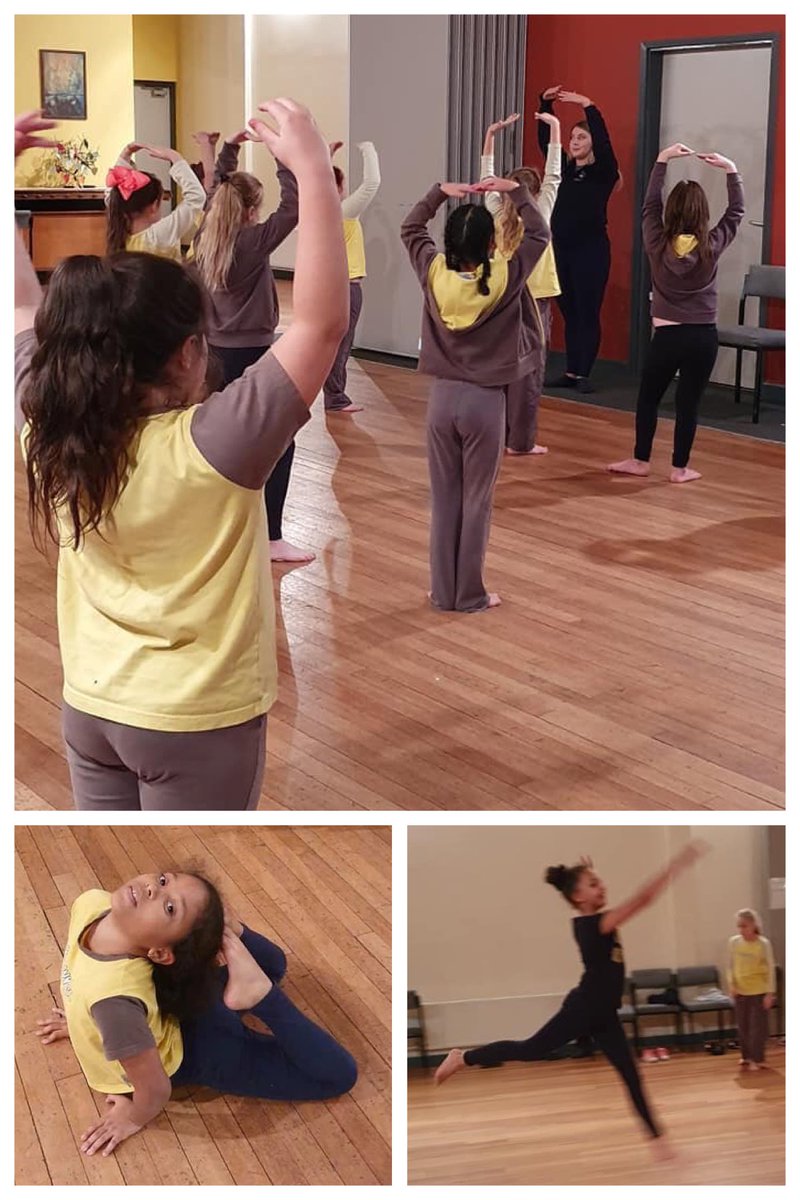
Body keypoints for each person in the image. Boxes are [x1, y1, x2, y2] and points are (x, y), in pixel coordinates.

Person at [14, 103, 349, 811]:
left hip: (90, 706)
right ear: (189, 352)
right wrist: (314, 171)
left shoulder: (45, 424)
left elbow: (17, 308)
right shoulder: (218, 444)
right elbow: (321, 325)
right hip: (195, 721)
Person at [36, 871, 357, 1157]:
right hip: (178, 1006)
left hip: (204, 1052)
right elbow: (85, 976)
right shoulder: (92, 903)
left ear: (160, 953)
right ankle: (234, 937)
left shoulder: (115, 1005)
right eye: (163, 880)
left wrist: (133, 1117)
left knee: (337, 1076)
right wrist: (84, 1022)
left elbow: (155, 1089)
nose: (153, 888)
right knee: (273, 965)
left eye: (170, 907)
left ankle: (260, 993)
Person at [434, 841, 710, 1157]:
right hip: (584, 1009)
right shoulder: (593, 925)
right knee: (531, 1049)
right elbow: (642, 899)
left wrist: (586, 875)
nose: (601, 886)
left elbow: (599, 901)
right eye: (593, 884)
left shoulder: (596, 920)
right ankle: (463, 1058)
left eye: (600, 882)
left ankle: (658, 1140)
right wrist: (675, 866)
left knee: (631, 1074)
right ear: (578, 897)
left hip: (604, 1014)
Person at [401, 173, 549, 611]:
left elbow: (411, 227)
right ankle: (469, 594)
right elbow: (539, 233)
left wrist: (436, 193)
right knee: (476, 502)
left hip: (441, 401)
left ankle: (442, 591)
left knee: (445, 499)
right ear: (491, 244)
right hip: (485, 402)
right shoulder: (506, 274)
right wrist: (514, 191)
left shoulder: (432, 271)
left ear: (448, 243)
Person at [195, 129, 313, 564]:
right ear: (250, 211)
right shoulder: (252, 241)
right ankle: (272, 535)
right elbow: (294, 206)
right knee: (279, 440)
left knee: (219, 439)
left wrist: (229, 151)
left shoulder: (206, 237)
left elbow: (217, 192)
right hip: (254, 353)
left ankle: (219, 527)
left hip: (213, 354)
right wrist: (282, 157)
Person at [609, 143, 744, 483]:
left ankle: (641, 460)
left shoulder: (656, 242)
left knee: (649, 399)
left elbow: (649, 206)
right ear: (702, 213)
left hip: (667, 336)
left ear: (670, 212)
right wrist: (730, 169)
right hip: (703, 336)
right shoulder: (712, 244)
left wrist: (662, 159)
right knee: (688, 404)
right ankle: (679, 468)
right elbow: (736, 211)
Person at [481, 109, 562, 455]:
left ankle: (498, 436)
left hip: (503, 296)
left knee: (502, 365)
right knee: (529, 371)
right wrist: (555, 127)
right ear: (534, 192)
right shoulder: (540, 214)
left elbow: (486, 177)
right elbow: (555, 175)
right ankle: (520, 442)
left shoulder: (498, 212)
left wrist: (491, 135)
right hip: (535, 299)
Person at [537, 86, 620, 393]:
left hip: (591, 250)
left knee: (587, 312)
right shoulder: (563, 170)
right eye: (572, 137)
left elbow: (605, 143)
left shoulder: (603, 172)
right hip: (561, 249)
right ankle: (571, 372)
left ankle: (584, 373)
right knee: (570, 313)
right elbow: (546, 141)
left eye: (581, 137)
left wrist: (588, 105)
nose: (574, 141)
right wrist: (545, 103)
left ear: (592, 142)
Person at [324, 140, 381, 413]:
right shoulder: (343, 212)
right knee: (342, 343)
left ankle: (332, 395)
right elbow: (372, 183)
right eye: (343, 184)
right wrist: (368, 149)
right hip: (347, 287)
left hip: (331, 287)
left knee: (334, 342)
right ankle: (335, 397)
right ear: (337, 188)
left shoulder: (318, 213)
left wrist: (327, 155)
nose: (346, 189)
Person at [106, 139, 206, 258]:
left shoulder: (118, 232)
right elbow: (196, 197)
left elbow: (114, 193)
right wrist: (175, 157)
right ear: (154, 205)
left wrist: (125, 154)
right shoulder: (158, 236)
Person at [727, 907, 776, 1071]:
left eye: (744, 926)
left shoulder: (763, 944)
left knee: (757, 1028)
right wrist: (732, 985)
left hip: (758, 990)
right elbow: (730, 966)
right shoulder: (734, 942)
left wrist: (770, 993)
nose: (741, 930)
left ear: (753, 925)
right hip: (740, 991)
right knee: (743, 1026)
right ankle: (746, 1056)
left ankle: (758, 1058)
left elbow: (770, 968)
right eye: (739, 926)